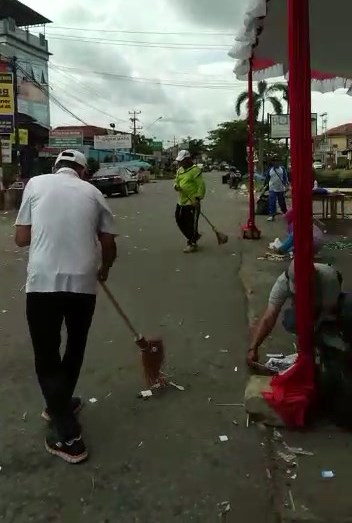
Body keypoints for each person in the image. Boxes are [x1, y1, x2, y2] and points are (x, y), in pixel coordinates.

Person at [15, 149, 117, 464]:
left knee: (47, 353)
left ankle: (68, 436)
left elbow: (21, 238)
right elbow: (109, 244)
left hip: (43, 282)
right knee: (74, 347)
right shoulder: (94, 193)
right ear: (83, 172)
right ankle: (60, 404)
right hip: (82, 284)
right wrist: (105, 270)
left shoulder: (35, 184)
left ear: (56, 166)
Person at [247, 261, 344, 369]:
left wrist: (307, 341)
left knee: (336, 321)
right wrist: (254, 347)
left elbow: (325, 313)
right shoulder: (283, 282)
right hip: (308, 305)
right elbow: (269, 317)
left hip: (327, 299)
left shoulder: (328, 279)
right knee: (292, 321)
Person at [174, 149, 206, 253]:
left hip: (192, 202)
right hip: (181, 200)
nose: (180, 163)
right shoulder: (180, 170)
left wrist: (197, 198)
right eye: (179, 161)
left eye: (181, 161)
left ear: (188, 159)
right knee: (179, 219)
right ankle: (194, 236)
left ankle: (192, 243)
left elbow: (201, 186)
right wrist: (176, 186)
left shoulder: (195, 170)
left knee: (191, 223)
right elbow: (176, 182)